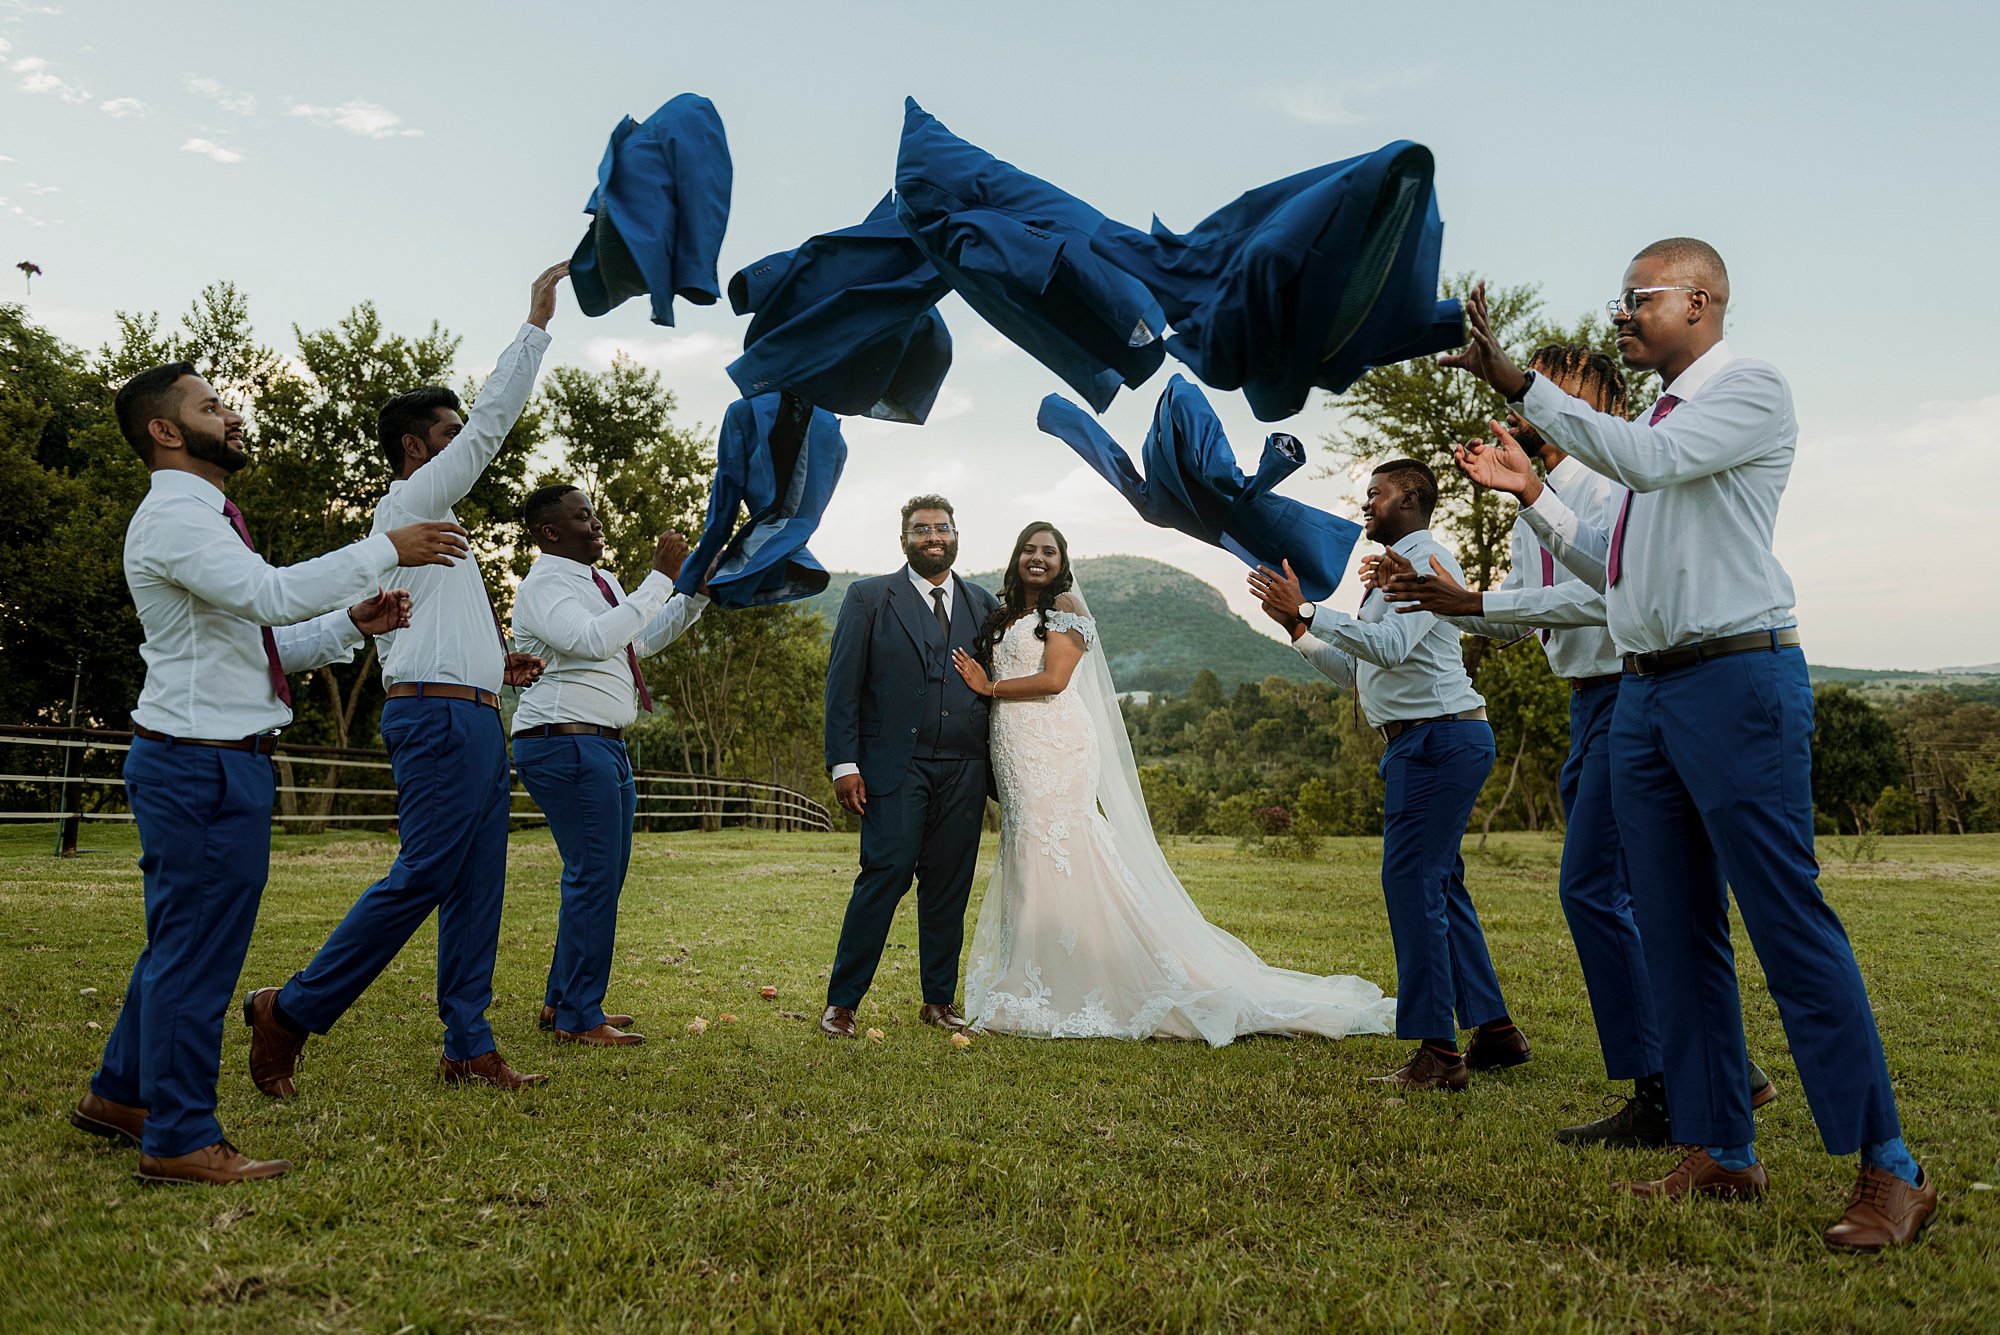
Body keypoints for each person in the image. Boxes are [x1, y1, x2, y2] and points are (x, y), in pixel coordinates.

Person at [1440, 238, 1933, 1251]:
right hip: (1647, 695)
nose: (1620, 316)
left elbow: (1651, 463)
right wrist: (1530, 496)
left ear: (1700, 302)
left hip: (1735, 682)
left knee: (1785, 922)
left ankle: (1889, 1168)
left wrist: (1519, 383)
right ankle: (1720, 1147)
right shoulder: (1655, 427)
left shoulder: (1744, 389)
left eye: (1638, 299)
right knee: (1672, 928)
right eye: (1618, 301)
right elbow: (1606, 568)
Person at [73, 361, 466, 1185]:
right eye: (212, 405)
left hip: (208, 755)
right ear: (166, 430)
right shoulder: (178, 517)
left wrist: (347, 624)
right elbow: (267, 594)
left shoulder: (204, 516)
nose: (233, 414)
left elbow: (254, 643)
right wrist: (383, 550)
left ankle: (120, 1094)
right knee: (197, 957)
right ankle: (180, 1135)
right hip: (201, 765)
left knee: (177, 944)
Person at [1376, 344, 1778, 1144]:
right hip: (1588, 702)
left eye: (1560, 389)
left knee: (1596, 887)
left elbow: (1605, 593)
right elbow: (1530, 618)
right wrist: (1437, 600)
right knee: (1642, 891)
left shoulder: (1614, 479)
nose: (1540, 404)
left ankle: (1664, 1086)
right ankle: (1730, 1069)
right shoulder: (1545, 491)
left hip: (1633, 689)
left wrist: (1473, 593)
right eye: (1536, 391)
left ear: (1604, 395)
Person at [243, 264, 568, 1099]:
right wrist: (533, 325)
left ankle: (468, 1042)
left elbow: (411, 630)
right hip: (434, 727)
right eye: (450, 434)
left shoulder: (437, 532)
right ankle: (293, 1009)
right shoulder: (407, 508)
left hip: (477, 716)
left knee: (477, 884)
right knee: (423, 874)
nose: (466, 444)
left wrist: (498, 668)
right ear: (416, 449)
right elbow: (493, 425)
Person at [950, 523, 1396, 1043]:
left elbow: (1055, 680)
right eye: (1029, 548)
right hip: (1013, 743)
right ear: (1015, 555)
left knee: (1059, 845)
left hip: (1054, 741)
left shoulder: (1065, 608)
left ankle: (1076, 976)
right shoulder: (1006, 615)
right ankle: (1029, 974)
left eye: (1048, 551)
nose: (1037, 558)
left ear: (1061, 561)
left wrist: (990, 685)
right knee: (1024, 846)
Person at [1248, 460, 1524, 1090]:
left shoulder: (1424, 562)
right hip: (1426, 740)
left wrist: (1314, 609)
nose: (1365, 502)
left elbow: (1392, 648)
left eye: (1375, 492)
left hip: (1438, 741)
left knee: (1413, 886)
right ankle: (1497, 1031)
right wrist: (1297, 626)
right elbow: (1361, 670)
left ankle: (1438, 1052)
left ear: (1410, 497)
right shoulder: (1389, 576)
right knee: (1441, 885)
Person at [510, 485, 705, 1046]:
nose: (596, 525)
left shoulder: (603, 583)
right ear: (550, 532)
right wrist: (661, 577)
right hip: (564, 740)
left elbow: (633, 642)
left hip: (604, 745)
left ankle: (561, 999)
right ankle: (578, 1015)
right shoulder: (544, 586)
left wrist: (692, 598)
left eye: (594, 515)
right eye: (582, 518)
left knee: (602, 877)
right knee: (593, 876)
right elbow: (594, 640)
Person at [819, 496, 1000, 1039]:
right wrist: (843, 764)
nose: (932, 537)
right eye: (920, 530)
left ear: (956, 534)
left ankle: (939, 1001)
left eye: (941, 528)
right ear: (904, 540)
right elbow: (842, 686)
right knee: (886, 874)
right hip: (893, 767)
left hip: (964, 768)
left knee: (949, 885)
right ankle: (843, 1003)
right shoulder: (869, 597)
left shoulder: (983, 603)